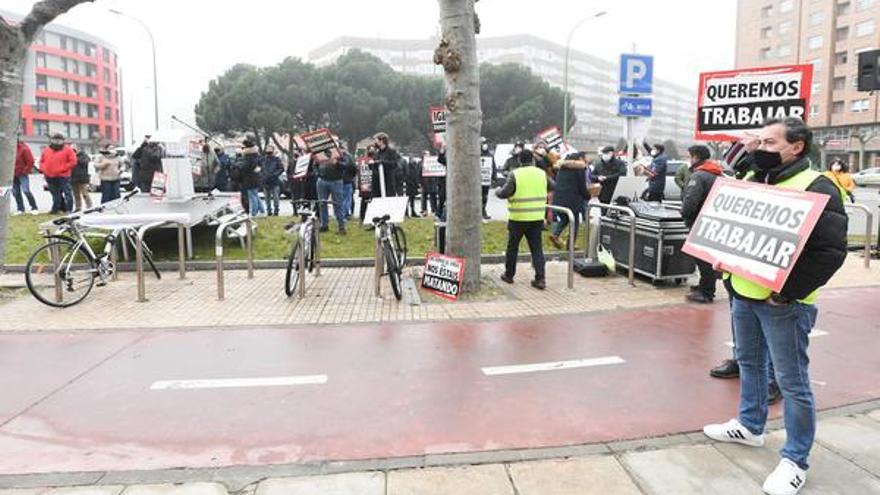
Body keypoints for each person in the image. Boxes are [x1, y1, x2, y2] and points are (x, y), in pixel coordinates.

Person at [702, 117, 848, 495]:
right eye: (758, 142)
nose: (760, 148)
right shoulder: (756, 180)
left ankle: (795, 459)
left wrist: (787, 292)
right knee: (749, 363)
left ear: (796, 146)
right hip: (743, 293)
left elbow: (829, 253)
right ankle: (751, 426)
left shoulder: (818, 187)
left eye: (769, 142)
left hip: (784, 303)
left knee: (791, 381)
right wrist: (723, 257)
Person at [496, 149, 554, 290]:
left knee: (512, 248)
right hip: (536, 218)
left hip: (518, 218)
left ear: (520, 161)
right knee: (537, 249)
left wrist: (498, 190)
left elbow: (504, 193)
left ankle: (509, 275)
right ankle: (540, 279)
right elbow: (553, 186)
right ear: (533, 160)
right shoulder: (542, 174)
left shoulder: (515, 174)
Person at [680, 145, 724, 304]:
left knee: (702, 257)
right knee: (706, 256)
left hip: (699, 221)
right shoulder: (717, 174)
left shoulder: (699, 176)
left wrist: (684, 214)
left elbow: (690, 201)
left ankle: (706, 292)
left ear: (695, 157)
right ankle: (704, 285)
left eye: (689, 156)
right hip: (713, 221)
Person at [549, 152, 590, 249]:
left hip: (558, 199)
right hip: (572, 201)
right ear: (579, 159)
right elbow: (582, 187)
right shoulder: (579, 169)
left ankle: (555, 235)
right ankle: (570, 245)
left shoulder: (562, 168)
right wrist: (588, 196)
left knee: (564, 219)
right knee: (574, 222)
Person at [39, 133, 76, 214]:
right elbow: (41, 161)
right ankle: (56, 209)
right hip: (49, 175)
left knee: (67, 193)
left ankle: (69, 209)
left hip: (63, 176)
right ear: (52, 140)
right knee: (55, 194)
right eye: (55, 140)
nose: (57, 142)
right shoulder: (47, 149)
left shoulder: (68, 149)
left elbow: (73, 162)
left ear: (63, 141)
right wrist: (43, 169)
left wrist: (62, 169)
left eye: (59, 140)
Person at [316, 149, 348, 235]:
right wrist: (318, 173)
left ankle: (341, 226)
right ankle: (324, 225)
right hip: (322, 180)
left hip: (336, 181)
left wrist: (337, 163)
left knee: (338, 204)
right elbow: (315, 164)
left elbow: (347, 166)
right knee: (322, 203)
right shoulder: (320, 153)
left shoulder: (340, 153)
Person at [237, 138, 265, 216]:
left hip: (249, 178)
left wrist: (239, 165)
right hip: (255, 178)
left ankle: (254, 212)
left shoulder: (248, 157)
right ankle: (262, 210)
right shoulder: (256, 155)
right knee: (255, 195)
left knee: (252, 196)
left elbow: (245, 167)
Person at [12, 139, 39, 215]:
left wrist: (25, 171)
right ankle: (20, 209)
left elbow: (30, 161)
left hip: (22, 174)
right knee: (15, 192)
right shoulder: (8, 149)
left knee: (26, 190)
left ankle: (34, 207)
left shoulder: (24, 149)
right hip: (13, 174)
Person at [261, 145, 284, 216]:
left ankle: (276, 210)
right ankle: (269, 211)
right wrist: (262, 175)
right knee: (267, 198)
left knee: (275, 197)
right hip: (265, 181)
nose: (269, 153)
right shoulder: (262, 159)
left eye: (270, 151)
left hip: (274, 181)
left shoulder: (276, 159)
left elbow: (281, 168)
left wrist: (275, 174)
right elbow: (258, 169)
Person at [70, 144, 93, 212]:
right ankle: (78, 207)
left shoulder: (84, 155)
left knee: (85, 193)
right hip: (73, 178)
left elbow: (84, 162)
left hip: (83, 178)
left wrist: (75, 157)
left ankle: (89, 206)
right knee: (76, 194)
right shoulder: (70, 156)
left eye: (74, 149)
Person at [480, 138, 497, 220]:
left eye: (485, 143)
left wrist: (494, 177)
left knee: (485, 196)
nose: (484, 145)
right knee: (478, 196)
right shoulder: (477, 154)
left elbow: (493, 166)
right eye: (483, 143)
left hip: (486, 180)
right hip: (478, 181)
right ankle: (479, 211)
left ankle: (483, 210)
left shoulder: (490, 155)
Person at [340, 148, 357, 220]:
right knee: (347, 199)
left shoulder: (338, 157)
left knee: (343, 198)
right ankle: (346, 213)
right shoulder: (349, 157)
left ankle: (343, 214)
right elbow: (354, 168)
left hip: (340, 179)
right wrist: (351, 176)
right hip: (348, 180)